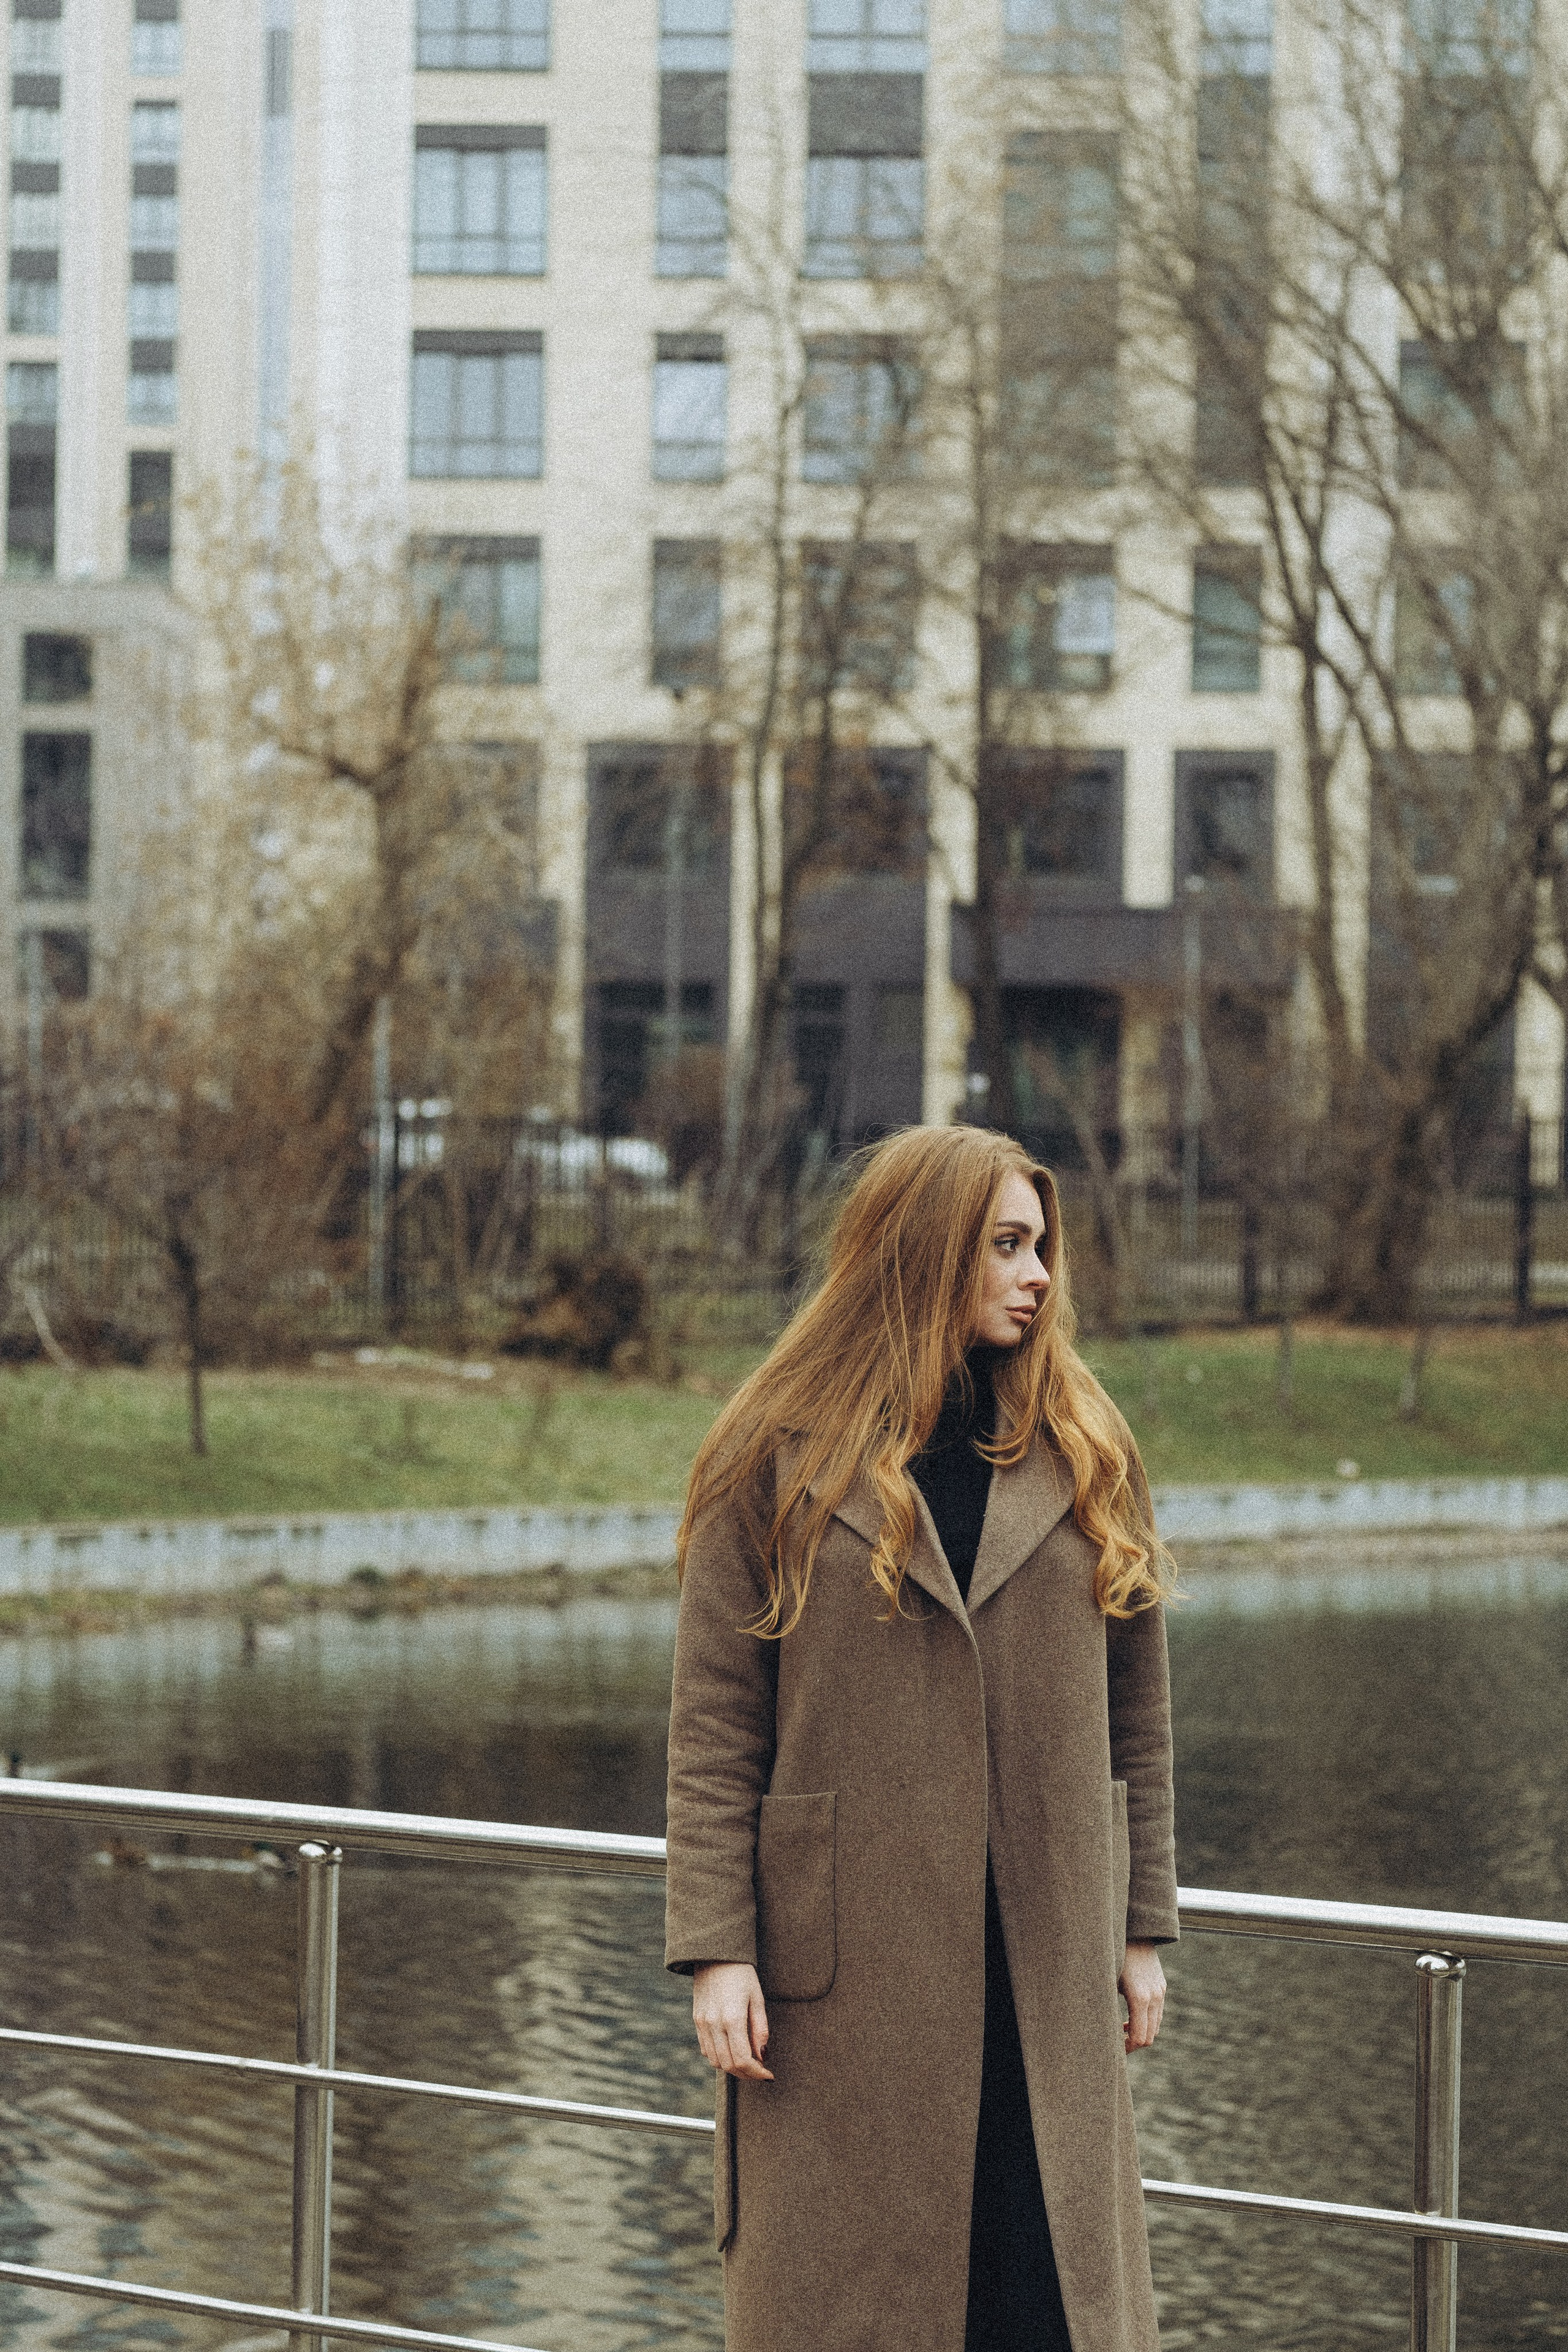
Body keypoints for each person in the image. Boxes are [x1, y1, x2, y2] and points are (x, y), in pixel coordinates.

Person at [665, 1125, 1178, 2352]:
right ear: (921, 1252)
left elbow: (1140, 1712)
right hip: (838, 1976)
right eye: (1005, 1245)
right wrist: (714, 1949)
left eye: (1039, 1246)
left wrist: (1139, 1926)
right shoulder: (769, 1453)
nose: (1038, 1274)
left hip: (1044, 1954)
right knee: (856, 2306)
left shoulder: (1086, 1446)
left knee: (1040, 2297)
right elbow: (712, 1723)